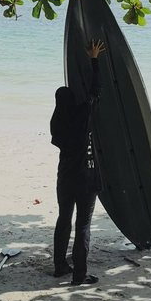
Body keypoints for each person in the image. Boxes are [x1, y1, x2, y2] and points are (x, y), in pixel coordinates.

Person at [49, 39, 103, 285]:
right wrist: (94, 59)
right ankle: (79, 275)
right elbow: (95, 91)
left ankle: (60, 266)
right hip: (87, 178)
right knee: (83, 226)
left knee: (63, 220)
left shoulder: (56, 123)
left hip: (65, 178)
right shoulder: (82, 115)